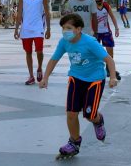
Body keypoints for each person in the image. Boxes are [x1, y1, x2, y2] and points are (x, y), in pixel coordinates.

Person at [38, 13, 118, 159]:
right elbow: (54, 59)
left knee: (89, 115)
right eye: (63, 28)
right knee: (71, 114)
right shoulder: (64, 42)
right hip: (76, 78)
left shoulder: (90, 42)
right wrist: (45, 78)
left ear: (79, 29)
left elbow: (109, 60)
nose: (65, 31)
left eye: (68, 28)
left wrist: (112, 77)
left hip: (95, 80)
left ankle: (98, 120)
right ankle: (74, 142)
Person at [14, 0, 51, 85]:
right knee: (28, 52)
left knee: (39, 51)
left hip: (38, 28)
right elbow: (19, 13)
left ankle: (39, 67)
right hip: (26, 29)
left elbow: (47, 12)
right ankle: (31, 76)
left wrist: (48, 29)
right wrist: (16, 29)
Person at [93, 0, 121, 80]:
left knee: (110, 52)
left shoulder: (106, 6)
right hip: (96, 33)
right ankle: (96, 70)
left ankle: (109, 68)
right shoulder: (92, 7)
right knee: (95, 53)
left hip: (106, 32)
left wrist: (116, 28)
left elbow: (112, 17)